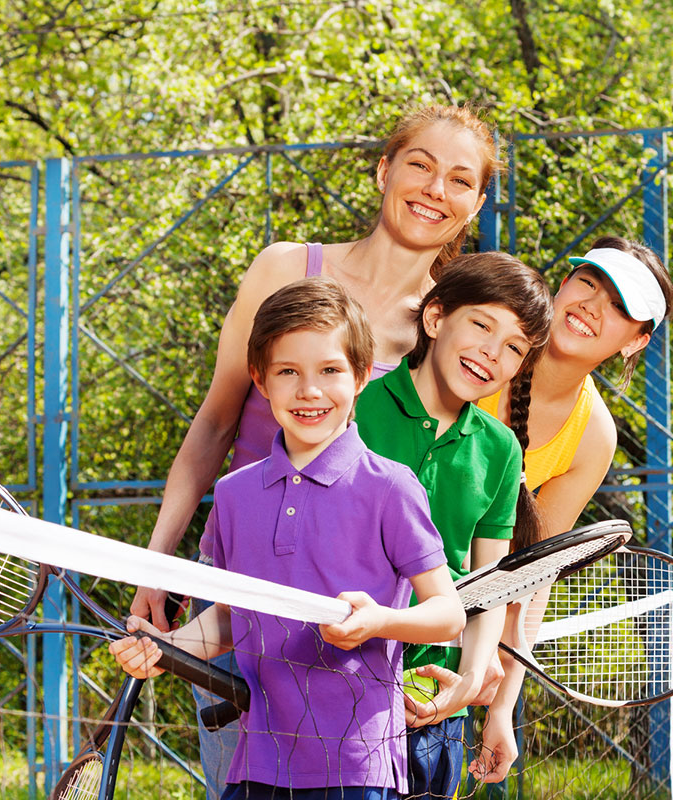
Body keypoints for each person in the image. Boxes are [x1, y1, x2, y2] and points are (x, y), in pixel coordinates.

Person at [128, 104, 502, 798]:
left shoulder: (448, 327)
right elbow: (212, 426)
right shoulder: (283, 268)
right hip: (245, 607)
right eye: (419, 164)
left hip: (356, 649)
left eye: (458, 179)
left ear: (475, 203)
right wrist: (158, 567)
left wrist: (474, 665)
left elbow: (475, 494)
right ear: (384, 169)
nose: (433, 189)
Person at [110, 278, 466, 799]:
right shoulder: (233, 495)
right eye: (288, 372)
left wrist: (379, 622)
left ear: (362, 376)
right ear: (260, 380)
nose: (310, 391)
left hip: (357, 767)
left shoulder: (390, 487)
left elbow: (447, 615)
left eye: (330, 371)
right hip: (256, 762)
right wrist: (165, 649)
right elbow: (234, 616)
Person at [467, 235, 673, 783]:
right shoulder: (482, 352)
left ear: (636, 341)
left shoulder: (593, 436)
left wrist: (502, 705)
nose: (590, 307)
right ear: (563, 284)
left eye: (618, 307)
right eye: (587, 283)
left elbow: (532, 575)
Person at [353, 252, 553, 799]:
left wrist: (467, 681)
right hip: (340, 688)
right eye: (482, 325)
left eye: (514, 347)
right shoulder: (357, 405)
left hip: (430, 708)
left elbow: (490, 582)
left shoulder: (501, 448)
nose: (492, 352)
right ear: (436, 319)